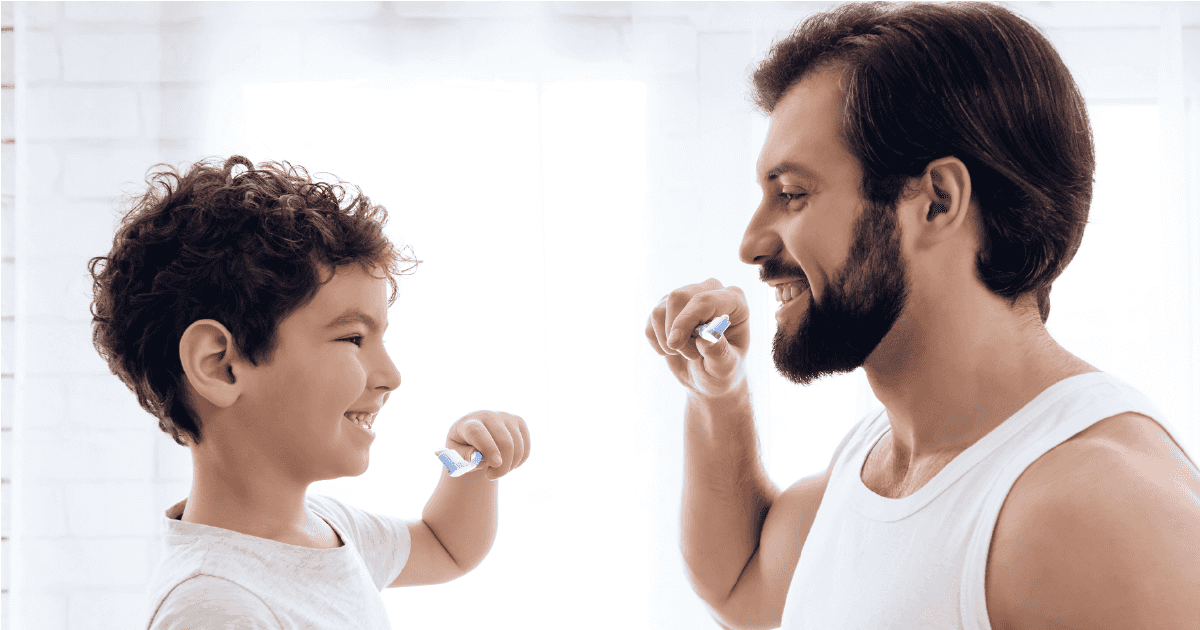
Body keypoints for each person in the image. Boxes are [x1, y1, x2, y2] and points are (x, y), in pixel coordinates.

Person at [644, 3, 1200, 629]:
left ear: (937, 201)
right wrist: (719, 395)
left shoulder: (1094, 514)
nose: (751, 244)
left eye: (792, 195)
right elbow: (741, 583)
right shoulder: (880, 460)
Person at [88, 156, 531, 629]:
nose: (391, 376)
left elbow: (445, 548)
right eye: (353, 338)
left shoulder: (328, 527)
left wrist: (468, 463)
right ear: (221, 365)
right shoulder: (215, 608)